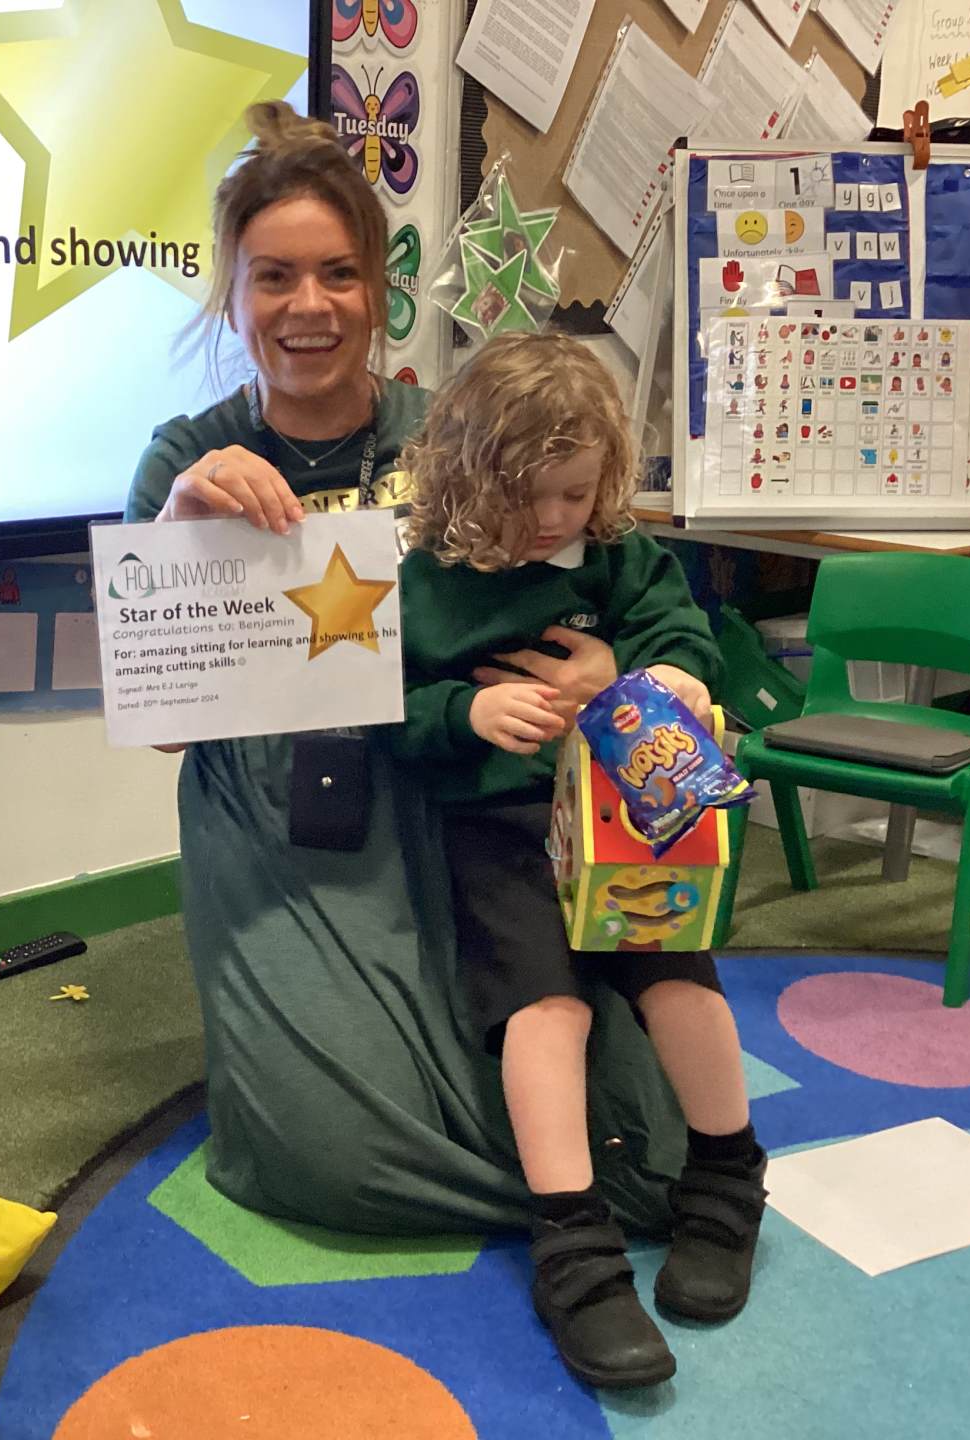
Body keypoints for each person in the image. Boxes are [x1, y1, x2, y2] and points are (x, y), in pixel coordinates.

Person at [125, 102, 696, 1237]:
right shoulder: (187, 463)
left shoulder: (463, 429)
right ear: (233, 294)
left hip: (475, 797)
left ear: (380, 286)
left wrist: (615, 675)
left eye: (338, 273)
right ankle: (549, 1203)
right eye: (274, 277)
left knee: (656, 1154)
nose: (309, 306)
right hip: (287, 817)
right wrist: (183, 538)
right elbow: (165, 726)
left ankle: (568, 1186)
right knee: (336, 1157)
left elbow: (616, 576)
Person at [393, 332, 768, 1389]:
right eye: (527, 498)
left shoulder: (619, 558)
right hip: (500, 827)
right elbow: (384, 711)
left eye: (574, 492)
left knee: (678, 980)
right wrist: (464, 712)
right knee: (544, 1011)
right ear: (469, 479)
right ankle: (572, 1242)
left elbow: (684, 640)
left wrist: (661, 679)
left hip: (624, 816)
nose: (554, 518)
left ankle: (729, 1180)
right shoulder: (424, 583)